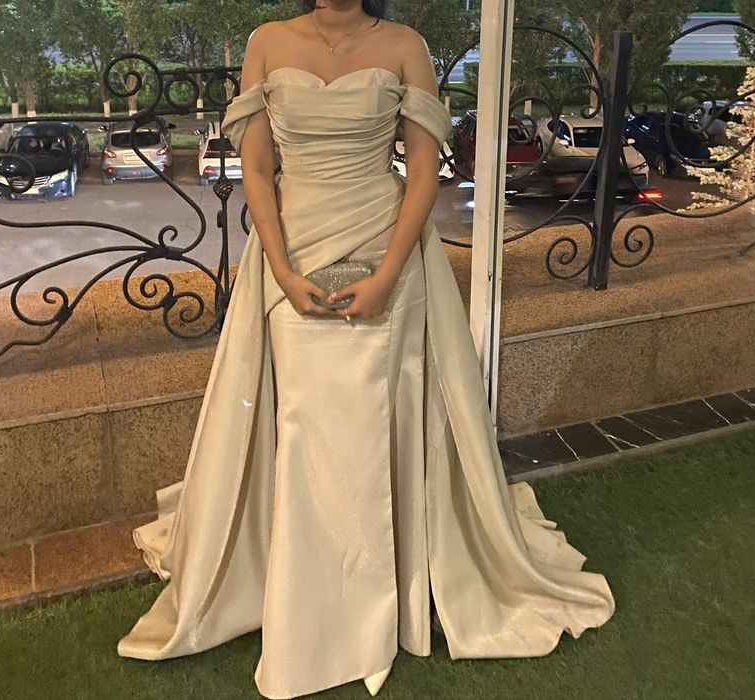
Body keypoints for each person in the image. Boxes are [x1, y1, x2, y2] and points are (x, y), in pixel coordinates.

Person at [117, 2, 615, 698]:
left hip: (387, 248)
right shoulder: (266, 43)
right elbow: (255, 169)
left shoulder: (406, 45)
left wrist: (386, 275)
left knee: (376, 414)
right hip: (293, 250)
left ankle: (385, 586)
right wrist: (280, 270)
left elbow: (423, 174)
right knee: (304, 423)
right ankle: (306, 590)